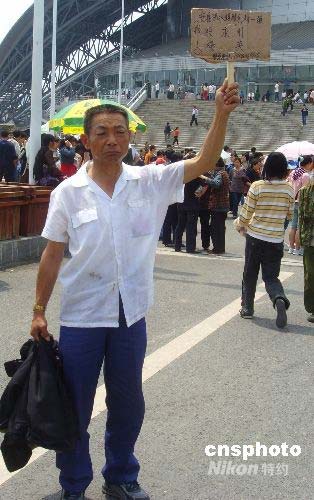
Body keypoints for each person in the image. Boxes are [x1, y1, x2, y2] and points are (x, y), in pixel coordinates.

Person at [30, 80, 239, 500]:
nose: (112, 140)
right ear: (86, 140)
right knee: (75, 406)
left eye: (120, 132)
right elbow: (52, 254)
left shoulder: (150, 180)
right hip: (82, 318)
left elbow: (205, 160)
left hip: (131, 315)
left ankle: (121, 475)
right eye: (102, 132)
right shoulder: (67, 193)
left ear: (130, 138)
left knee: (128, 404)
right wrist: (38, 309)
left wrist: (220, 114)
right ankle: (73, 485)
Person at [236, 152, 294, 328]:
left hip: (255, 237)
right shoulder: (289, 188)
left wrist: (239, 225)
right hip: (275, 240)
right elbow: (289, 215)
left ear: (267, 167)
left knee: (250, 273)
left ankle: (247, 308)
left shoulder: (257, 186)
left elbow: (247, 212)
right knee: (271, 277)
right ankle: (278, 299)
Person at [199, 158, 230, 254]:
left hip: (218, 206)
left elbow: (216, 184)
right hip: (221, 205)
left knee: (216, 229)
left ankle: (218, 249)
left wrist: (205, 178)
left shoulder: (221, 174)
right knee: (219, 228)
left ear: (216, 164)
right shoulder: (222, 173)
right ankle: (219, 248)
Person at [287, 156, 312, 255]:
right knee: (299, 227)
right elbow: (305, 191)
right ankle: (298, 249)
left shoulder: (294, 172)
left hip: (292, 202)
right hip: (301, 203)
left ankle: (291, 248)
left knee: (293, 226)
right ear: (309, 163)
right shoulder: (305, 175)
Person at [298, 174, 314, 322]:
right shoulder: (305, 191)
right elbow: (301, 214)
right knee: (310, 275)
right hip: (310, 239)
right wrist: (298, 234)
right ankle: (312, 308)